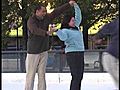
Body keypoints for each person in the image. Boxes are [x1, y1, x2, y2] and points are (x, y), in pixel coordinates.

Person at [25, 1, 76, 90]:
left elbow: (57, 11)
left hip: (44, 50)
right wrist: (46, 33)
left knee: (42, 74)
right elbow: (34, 30)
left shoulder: (46, 17)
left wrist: (69, 4)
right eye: (43, 11)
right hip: (33, 52)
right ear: (37, 12)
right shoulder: (31, 21)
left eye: (45, 11)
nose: (45, 13)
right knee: (31, 74)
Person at [50, 3, 84, 90]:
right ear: (67, 22)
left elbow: (79, 16)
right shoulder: (65, 31)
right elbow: (63, 37)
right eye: (72, 20)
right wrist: (57, 30)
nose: (74, 21)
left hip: (80, 52)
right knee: (75, 75)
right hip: (72, 54)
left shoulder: (76, 27)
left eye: (74, 20)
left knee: (80, 76)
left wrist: (76, 6)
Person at [92, 17, 119, 89]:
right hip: (112, 57)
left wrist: (99, 36)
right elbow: (107, 27)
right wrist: (98, 36)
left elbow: (107, 27)